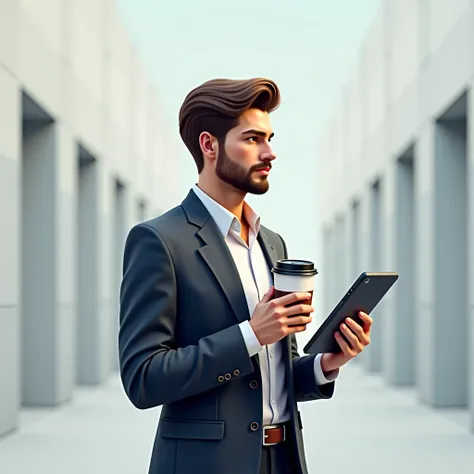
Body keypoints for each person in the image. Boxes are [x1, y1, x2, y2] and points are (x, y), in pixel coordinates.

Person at [118, 78, 373, 474]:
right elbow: (143, 378)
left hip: (284, 458)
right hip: (205, 464)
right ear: (209, 145)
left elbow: (278, 368)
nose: (270, 152)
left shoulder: (272, 245)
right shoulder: (158, 241)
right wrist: (250, 335)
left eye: (269, 138)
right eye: (253, 139)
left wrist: (325, 363)